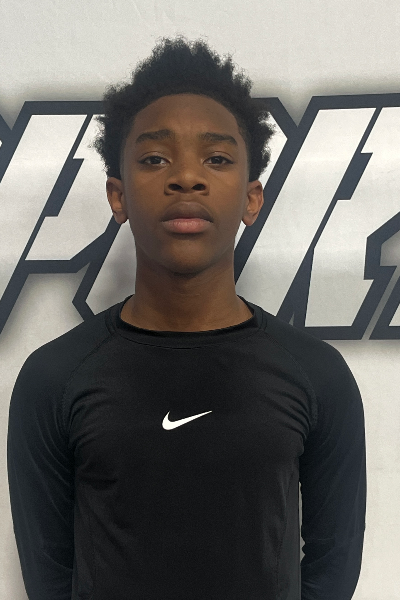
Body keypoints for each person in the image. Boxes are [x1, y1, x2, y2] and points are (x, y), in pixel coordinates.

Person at [7, 35, 366, 600]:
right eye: (155, 158)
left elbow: (333, 566)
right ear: (118, 195)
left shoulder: (317, 375)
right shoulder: (53, 378)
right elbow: (49, 576)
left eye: (216, 159)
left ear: (251, 199)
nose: (186, 178)